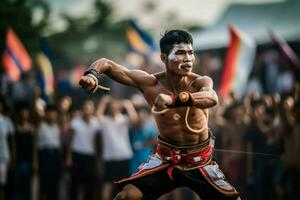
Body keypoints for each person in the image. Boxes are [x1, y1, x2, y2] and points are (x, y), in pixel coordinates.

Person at [79, 30, 240, 200]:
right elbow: (106, 64)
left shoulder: (201, 82)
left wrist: (174, 100)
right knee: (125, 197)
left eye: (190, 53)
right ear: (164, 58)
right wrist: (92, 75)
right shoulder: (150, 84)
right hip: (166, 159)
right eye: (180, 53)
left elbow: (211, 97)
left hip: (200, 161)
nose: (187, 58)